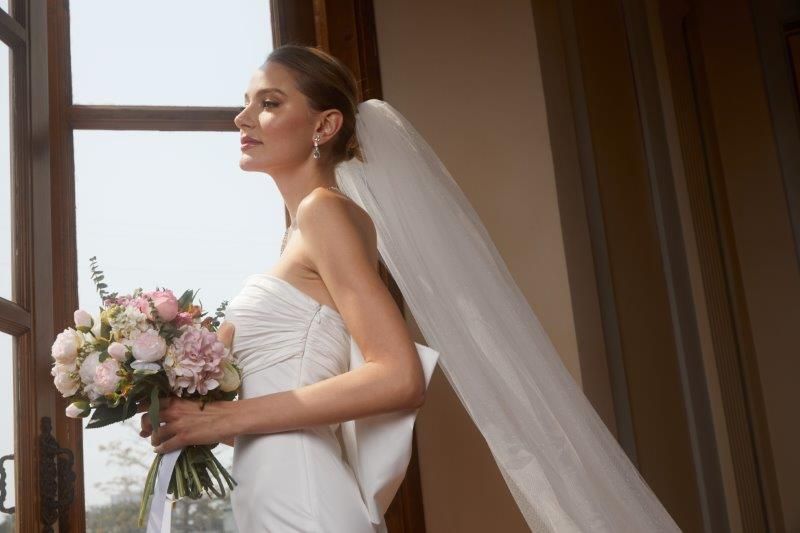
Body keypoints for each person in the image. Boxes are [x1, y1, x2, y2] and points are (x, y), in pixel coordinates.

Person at [140, 44, 682, 532]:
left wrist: (227, 416)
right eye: (246, 101)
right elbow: (292, 409)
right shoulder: (300, 232)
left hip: (301, 498)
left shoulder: (324, 213)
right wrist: (196, 418)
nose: (242, 117)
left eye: (270, 102)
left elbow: (398, 377)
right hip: (277, 487)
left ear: (324, 126)